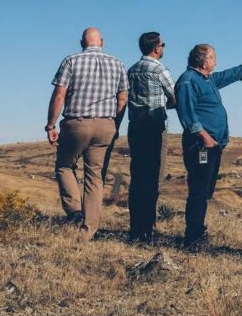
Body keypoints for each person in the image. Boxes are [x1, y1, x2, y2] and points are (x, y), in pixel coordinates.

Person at [174, 44, 242, 249]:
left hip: (213, 145)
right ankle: (193, 238)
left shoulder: (208, 79)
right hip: (201, 146)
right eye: (213, 58)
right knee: (199, 190)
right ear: (204, 61)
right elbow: (186, 114)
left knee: (206, 190)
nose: (216, 62)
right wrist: (205, 137)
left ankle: (197, 231)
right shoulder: (188, 82)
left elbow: (233, 74)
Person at [45, 27, 129, 240]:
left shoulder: (71, 61)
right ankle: (88, 230)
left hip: (76, 123)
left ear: (81, 42)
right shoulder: (117, 63)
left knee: (64, 165)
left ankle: (74, 211)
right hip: (106, 125)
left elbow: (59, 95)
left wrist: (50, 125)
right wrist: (115, 124)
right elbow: (122, 99)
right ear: (102, 42)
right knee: (94, 176)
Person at [125, 32, 176, 243]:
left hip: (135, 127)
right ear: (156, 48)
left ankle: (136, 226)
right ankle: (148, 227)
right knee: (155, 176)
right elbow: (175, 97)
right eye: (163, 44)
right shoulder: (160, 70)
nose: (163, 48)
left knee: (137, 176)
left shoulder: (131, 71)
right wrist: (166, 105)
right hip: (154, 127)